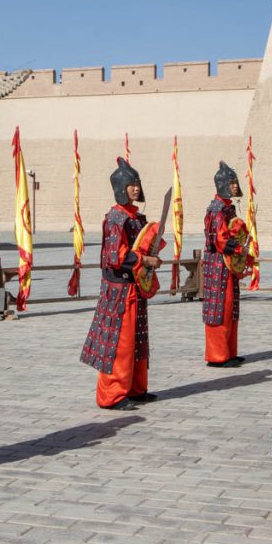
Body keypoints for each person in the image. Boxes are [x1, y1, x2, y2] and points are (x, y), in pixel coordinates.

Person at [81, 157, 162, 411]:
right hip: (120, 291)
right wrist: (146, 260)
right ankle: (112, 395)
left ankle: (136, 388)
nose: (136, 188)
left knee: (138, 340)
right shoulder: (116, 218)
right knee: (120, 344)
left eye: (137, 183)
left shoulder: (136, 217)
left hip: (135, 286)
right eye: (131, 185)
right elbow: (116, 257)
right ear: (120, 188)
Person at [202, 161, 245, 368]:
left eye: (236, 182)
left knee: (231, 309)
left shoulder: (228, 208)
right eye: (232, 183)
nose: (235, 186)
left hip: (227, 266)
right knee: (219, 310)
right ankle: (217, 355)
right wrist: (239, 249)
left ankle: (229, 351)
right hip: (218, 266)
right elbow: (221, 241)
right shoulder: (216, 209)